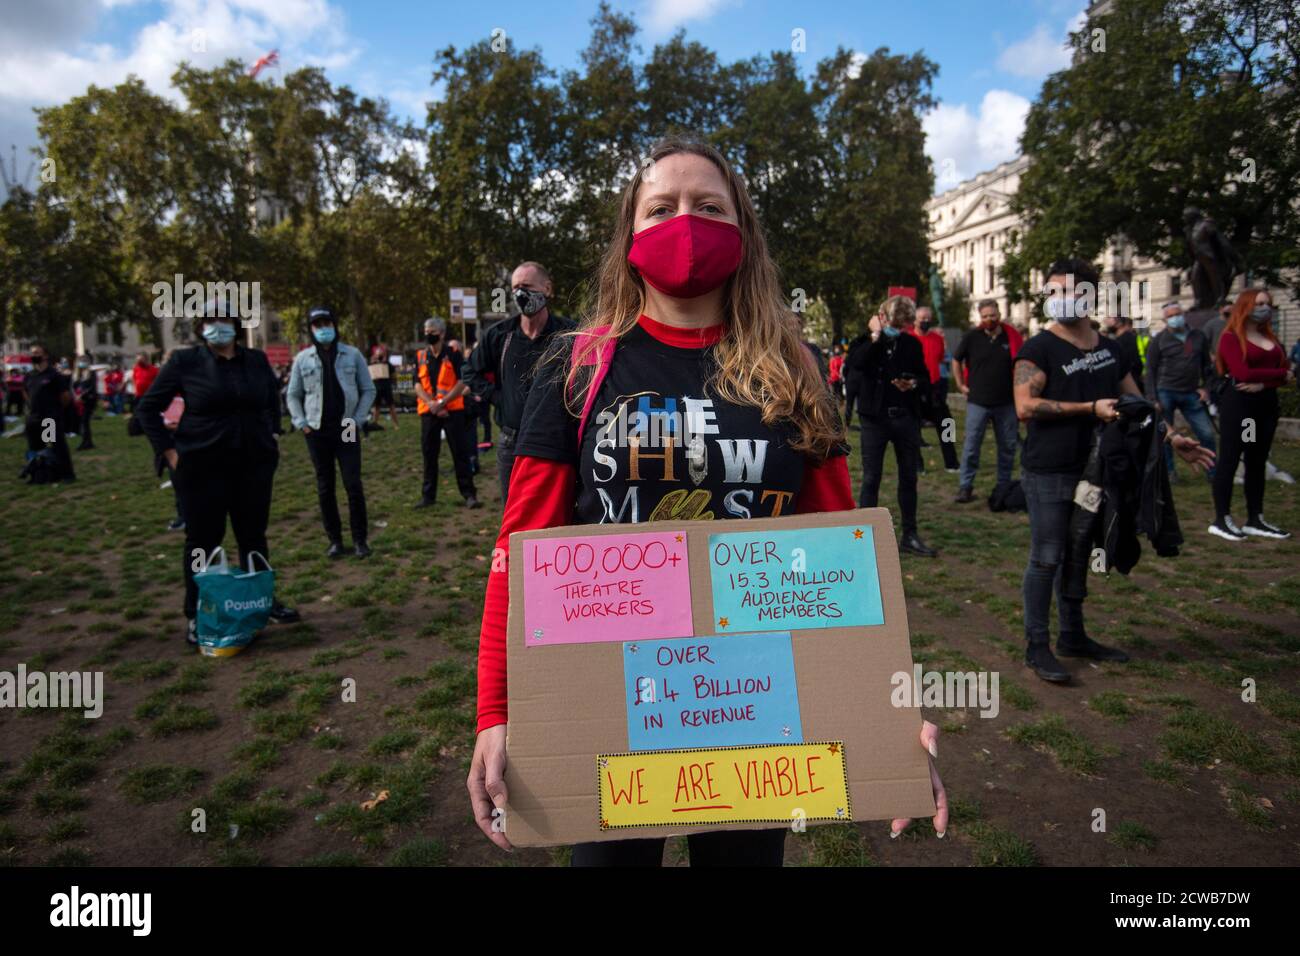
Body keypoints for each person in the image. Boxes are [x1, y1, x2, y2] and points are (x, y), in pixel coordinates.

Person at [467, 136, 947, 866]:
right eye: (660, 208)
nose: (684, 222)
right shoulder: (577, 365)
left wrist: (886, 716)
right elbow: (516, 553)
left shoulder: (797, 369)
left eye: (708, 206)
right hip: (603, 696)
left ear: (742, 231)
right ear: (630, 236)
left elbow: (846, 566)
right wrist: (496, 711)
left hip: (755, 704)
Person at [1013, 259, 1212, 683]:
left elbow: (1138, 406)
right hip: (1049, 470)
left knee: (1080, 550)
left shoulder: (1110, 348)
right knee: (1047, 556)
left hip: (1098, 472)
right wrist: (1089, 408)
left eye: (1065, 291)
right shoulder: (1038, 349)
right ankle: (1037, 646)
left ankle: (1073, 635)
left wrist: (1173, 438)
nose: (1056, 299)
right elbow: (1025, 407)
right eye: (1051, 291)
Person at [136, 300, 300, 644]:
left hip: (253, 464)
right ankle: (197, 611)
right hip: (201, 466)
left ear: (236, 324)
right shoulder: (186, 362)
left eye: (223, 319)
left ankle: (261, 599)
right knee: (202, 542)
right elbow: (148, 409)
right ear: (201, 327)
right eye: (209, 320)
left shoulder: (255, 360)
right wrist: (169, 452)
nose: (217, 325)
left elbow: (271, 399)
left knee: (253, 536)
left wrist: (272, 434)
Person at [464, 261, 575, 503]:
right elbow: (470, 371)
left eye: (526, 286)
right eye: (514, 287)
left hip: (557, 442)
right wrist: (497, 398)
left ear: (547, 288)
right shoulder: (499, 335)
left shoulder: (570, 334)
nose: (519, 293)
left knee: (559, 514)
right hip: (511, 442)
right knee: (514, 520)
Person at [845, 295, 939, 557]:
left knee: (908, 476)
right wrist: (876, 336)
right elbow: (856, 365)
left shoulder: (910, 343)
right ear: (882, 317)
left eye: (903, 324)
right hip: (874, 419)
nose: (899, 329)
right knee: (871, 477)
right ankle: (864, 538)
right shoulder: (865, 342)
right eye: (895, 323)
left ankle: (910, 534)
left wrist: (913, 384)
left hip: (904, 417)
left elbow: (924, 376)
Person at [287, 306, 376, 558]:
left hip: (347, 427)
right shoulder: (302, 359)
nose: (323, 329)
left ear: (334, 325)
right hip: (316, 430)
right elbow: (293, 394)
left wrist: (358, 419)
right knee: (325, 486)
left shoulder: (352, 354)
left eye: (327, 323)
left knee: (352, 484)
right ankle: (335, 540)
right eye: (317, 325)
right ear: (311, 329)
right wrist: (301, 422)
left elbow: (368, 389)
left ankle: (360, 540)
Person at [1209, 289, 1293, 541]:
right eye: (1259, 303)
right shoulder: (1232, 338)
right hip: (1243, 409)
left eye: (1268, 303)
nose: (1264, 308)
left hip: (1266, 407)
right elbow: (1242, 374)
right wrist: (1278, 377)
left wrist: (1265, 383)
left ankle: (1255, 517)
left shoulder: (1271, 337)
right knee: (1233, 458)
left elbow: (1287, 372)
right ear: (1246, 306)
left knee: (1257, 461)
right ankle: (1221, 518)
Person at [952, 299, 1020, 503]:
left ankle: (1003, 486)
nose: (989, 319)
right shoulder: (972, 337)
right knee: (971, 446)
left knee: (1007, 446)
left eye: (992, 315)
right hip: (977, 401)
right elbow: (956, 359)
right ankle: (965, 487)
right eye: (985, 316)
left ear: (999, 314)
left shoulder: (1011, 337)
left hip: (1006, 402)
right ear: (980, 317)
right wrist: (960, 384)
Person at [1146, 302, 1217, 480]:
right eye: (1170, 316)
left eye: (1177, 314)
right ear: (1164, 320)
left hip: (1190, 392)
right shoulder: (1159, 340)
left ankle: (1212, 470)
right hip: (1165, 392)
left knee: (1207, 433)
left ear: (1183, 315)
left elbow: (1207, 366)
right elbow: (1151, 370)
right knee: (1167, 435)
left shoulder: (1198, 336)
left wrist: (1206, 388)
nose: (1174, 318)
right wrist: (1153, 398)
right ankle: (1170, 472)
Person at [415, 317, 479, 510]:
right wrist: (432, 403)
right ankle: (428, 496)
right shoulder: (420, 356)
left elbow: (462, 382)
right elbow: (417, 384)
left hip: (453, 412)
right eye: (426, 330)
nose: (428, 334)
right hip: (429, 412)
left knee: (460, 454)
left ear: (442, 334)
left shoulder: (453, 354)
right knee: (429, 454)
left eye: (432, 331)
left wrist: (443, 402)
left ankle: (469, 494)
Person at [908, 306, 959, 473]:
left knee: (947, 423)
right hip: (914, 389)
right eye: (922, 318)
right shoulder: (907, 338)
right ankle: (917, 465)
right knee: (913, 428)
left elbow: (939, 359)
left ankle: (951, 463)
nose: (925, 321)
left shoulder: (937, 339)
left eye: (928, 318)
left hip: (934, 388)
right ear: (915, 320)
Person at [22, 343, 75, 480]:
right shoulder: (30, 375)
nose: (34, 355)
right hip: (33, 418)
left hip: (48, 419)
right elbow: (26, 392)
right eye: (32, 353)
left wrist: (54, 409)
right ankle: (41, 473)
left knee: (55, 446)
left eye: (37, 353)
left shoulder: (53, 375)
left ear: (45, 355)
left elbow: (65, 396)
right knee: (36, 448)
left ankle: (65, 474)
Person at [1102, 313, 1145, 394]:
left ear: (1119, 323)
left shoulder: (1126, 340)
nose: (1106, 322)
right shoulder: (1118, 340)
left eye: (1110, 318)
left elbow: (1134, 363)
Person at [367, 343, 400, 431]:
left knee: (391, 406)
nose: (379, 354)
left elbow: (394, 375)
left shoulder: (388, 364)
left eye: (381, 353)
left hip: (386, 388)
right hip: (376, 388)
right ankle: (375, 423)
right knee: (377, 407)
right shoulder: (372, 364)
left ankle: (396, 424)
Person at [72, 356, 98, 451]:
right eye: (80, 361)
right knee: (83, 422)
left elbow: (92, 387)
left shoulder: (91, 373)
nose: (82, 363)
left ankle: (86, 442)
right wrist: (75, 396)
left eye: (84, 361)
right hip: (78, 401)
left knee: (84, 421)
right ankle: (87, 441)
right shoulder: (76, 375)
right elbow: (73, 387)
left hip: (88, 400)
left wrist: (82, 396)